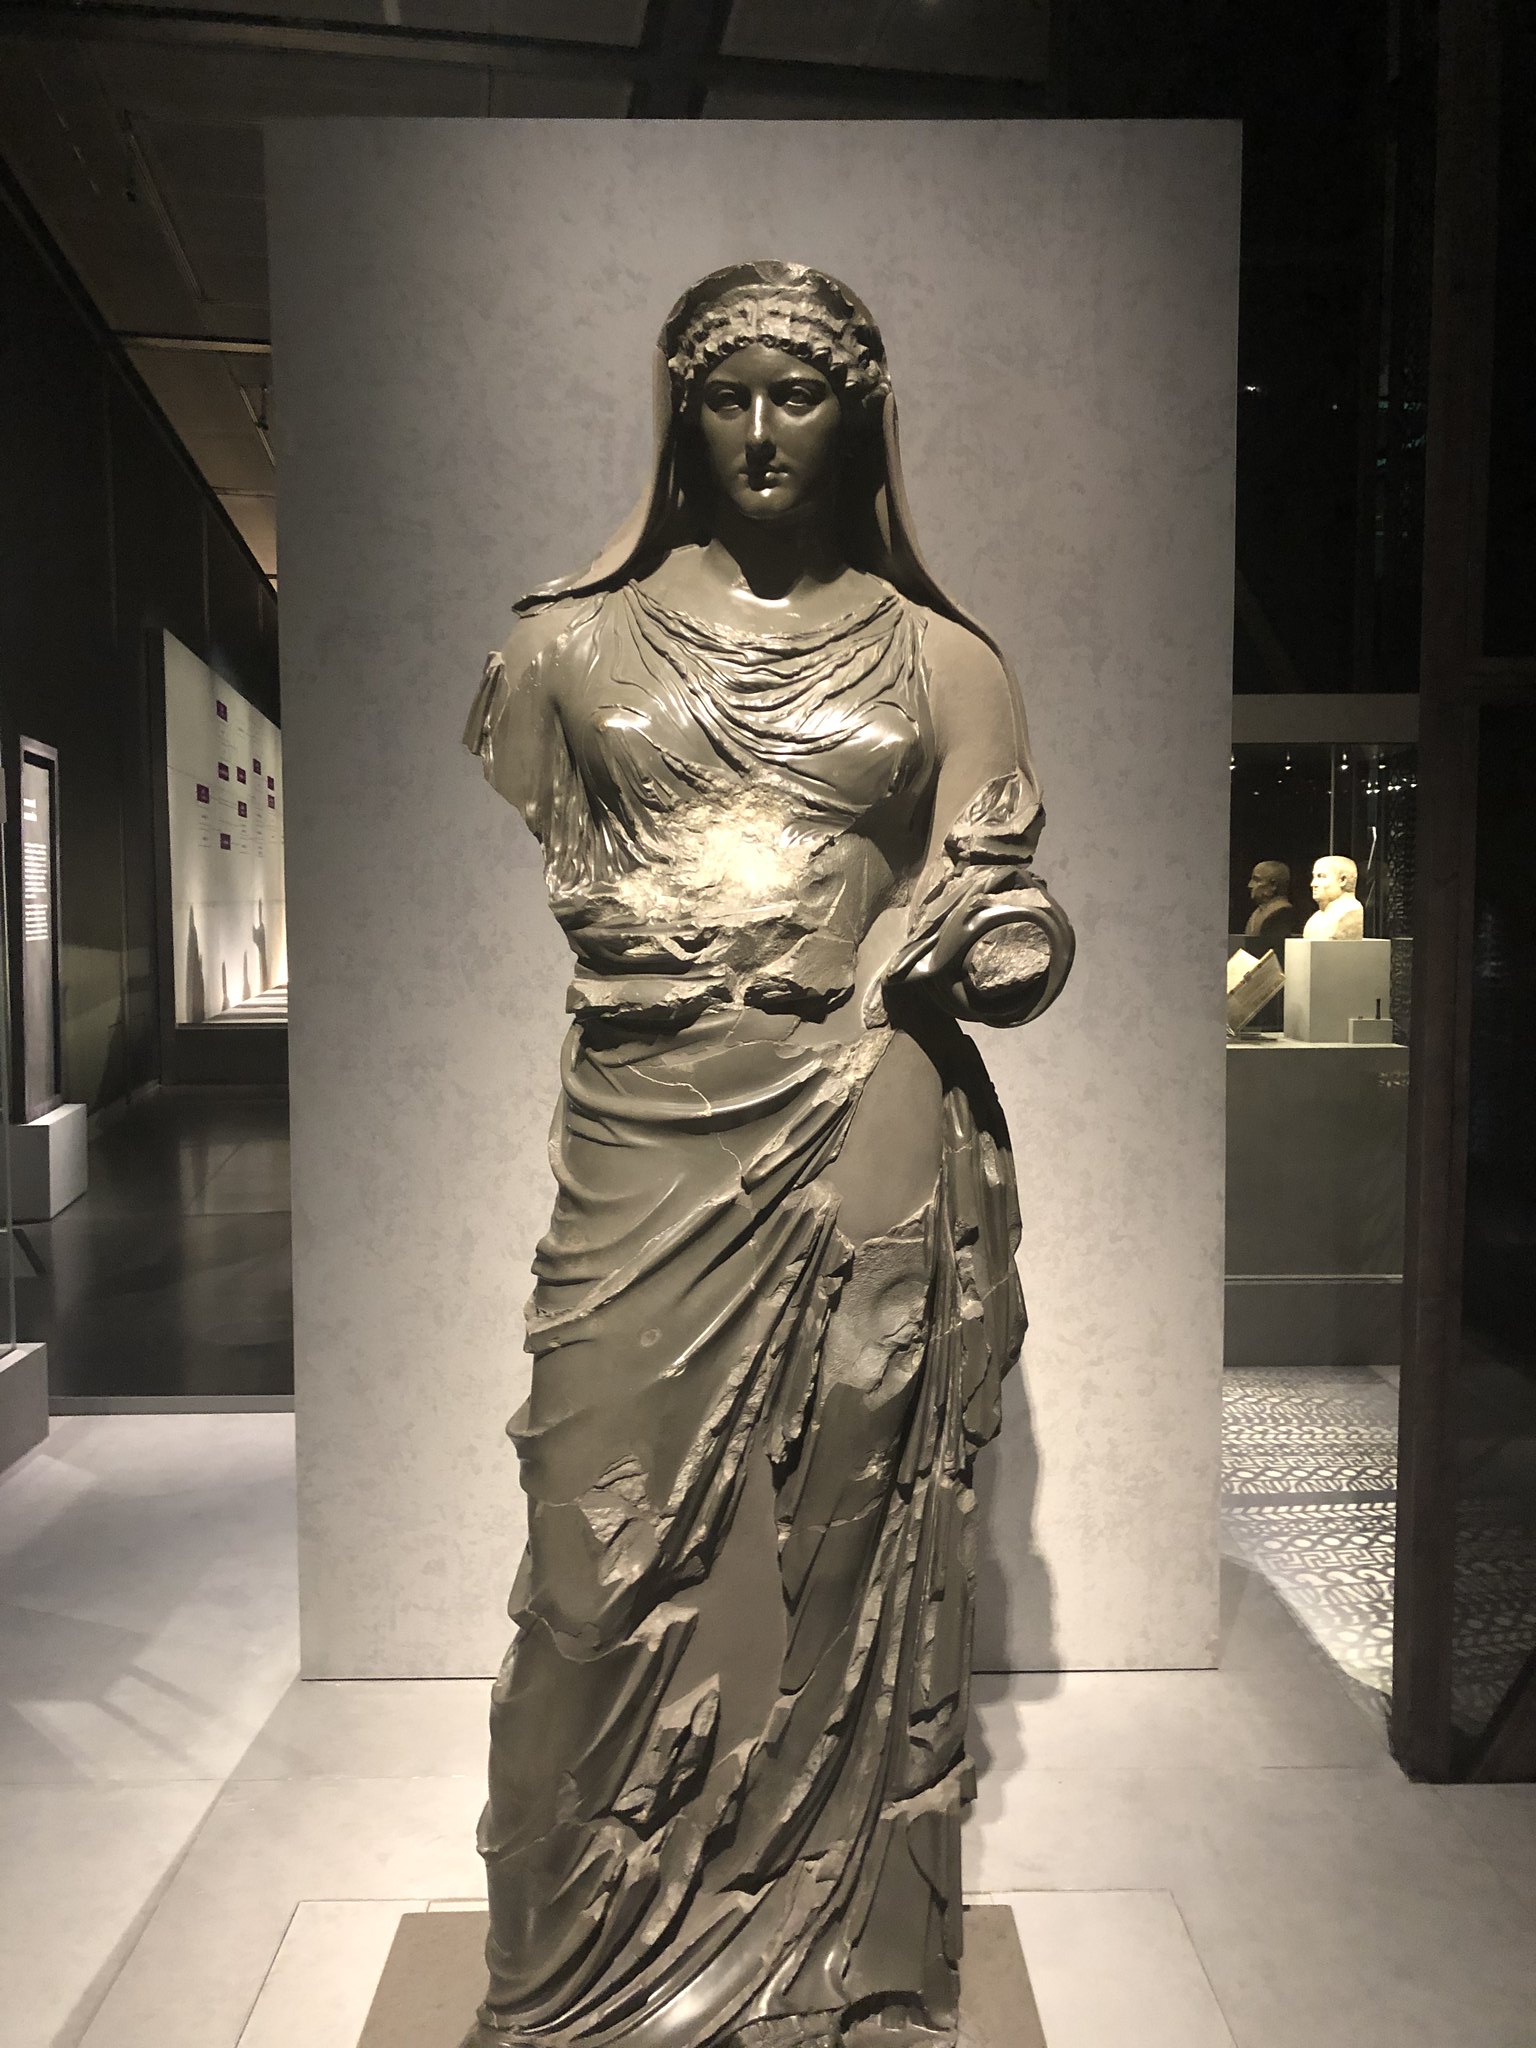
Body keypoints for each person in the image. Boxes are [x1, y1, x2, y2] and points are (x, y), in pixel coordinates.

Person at [462, 261, 1074, 2048]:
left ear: (858, 417)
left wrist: (995, 938)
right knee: (591, 1561)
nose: (756, 433)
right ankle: (574, 1968)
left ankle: (834, 1960)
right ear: (676, 415)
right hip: (641, 1141)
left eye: (794, 395)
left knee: (843, 1540)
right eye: (723, 397)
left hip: (862, 1112)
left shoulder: (943, 660)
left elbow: (998, 889)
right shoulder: (559, 650)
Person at [1303, 853, 1365, 939]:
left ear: (1342, 880)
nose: (1313, 884)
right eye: (1314, 877)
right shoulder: (1316, 918)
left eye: (1321, 876)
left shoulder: (1349, 913)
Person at [1242, 859, 1298, 947]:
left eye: (1257, 880)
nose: (1250, 885)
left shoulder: (1281, 911)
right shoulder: (1260, 910)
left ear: (1273, 885)